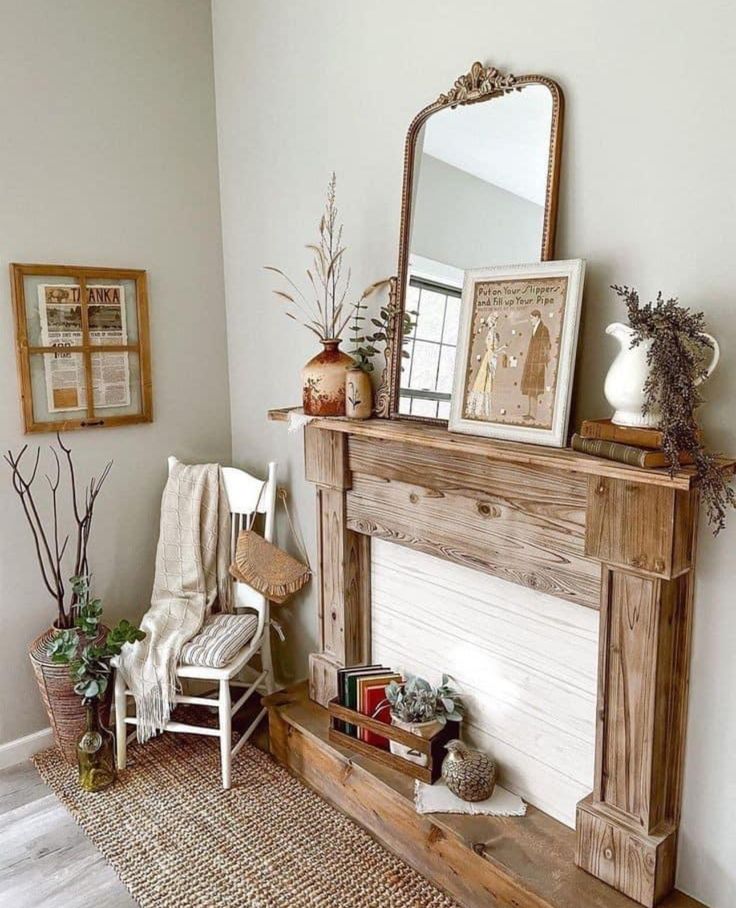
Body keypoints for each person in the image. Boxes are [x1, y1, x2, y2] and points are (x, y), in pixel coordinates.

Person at [466, 313, 507, 419]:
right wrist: (500, 349)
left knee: (485, 381)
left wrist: (501, 348)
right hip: (489, 358)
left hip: (490, 358)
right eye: (493, 321)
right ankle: (480, 409)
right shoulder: (492, 333)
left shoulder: (492, 333)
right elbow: (492, 349)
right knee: (484, 381)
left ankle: (480, 409)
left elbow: (493, 349)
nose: (493, 323)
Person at [520, 309, 550, 421]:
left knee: (534, 389)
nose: (530, 320)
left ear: (537, 317)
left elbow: (546, 347)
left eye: (532, 318)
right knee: (530, 388)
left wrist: (540, 363)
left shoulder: (543, 329)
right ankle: (530, 413)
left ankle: (533, 414)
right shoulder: (535, 329)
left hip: (537, 365)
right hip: (531, 364)